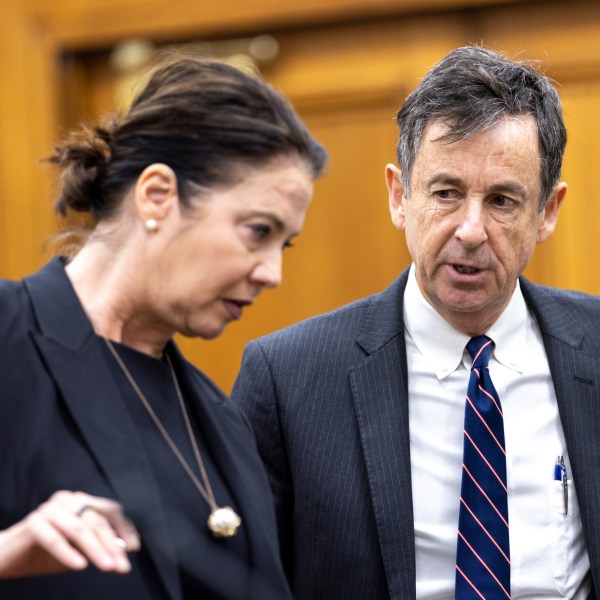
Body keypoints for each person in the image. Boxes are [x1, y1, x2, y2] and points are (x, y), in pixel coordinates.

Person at [231, 45, 600, 599]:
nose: (470, 230)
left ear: (547, 210)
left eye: (502, 200)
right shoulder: (287, 380)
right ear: (400, 195)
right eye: (446, 193)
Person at [0, 55, 327, 599]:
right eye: (257, 231)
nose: (272, 273)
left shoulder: (224, 422)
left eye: (283, 243)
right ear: (157, 195)